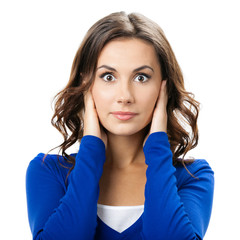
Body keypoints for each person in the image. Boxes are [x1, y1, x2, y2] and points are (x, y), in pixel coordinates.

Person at [26, 11, 214, 240]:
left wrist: (157, 147)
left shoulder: (192, 176)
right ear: (86, 84)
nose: (124, 96)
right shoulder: (49, 170)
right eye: (108, 77)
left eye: (141, 77)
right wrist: (91, 151)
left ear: (164, 88)